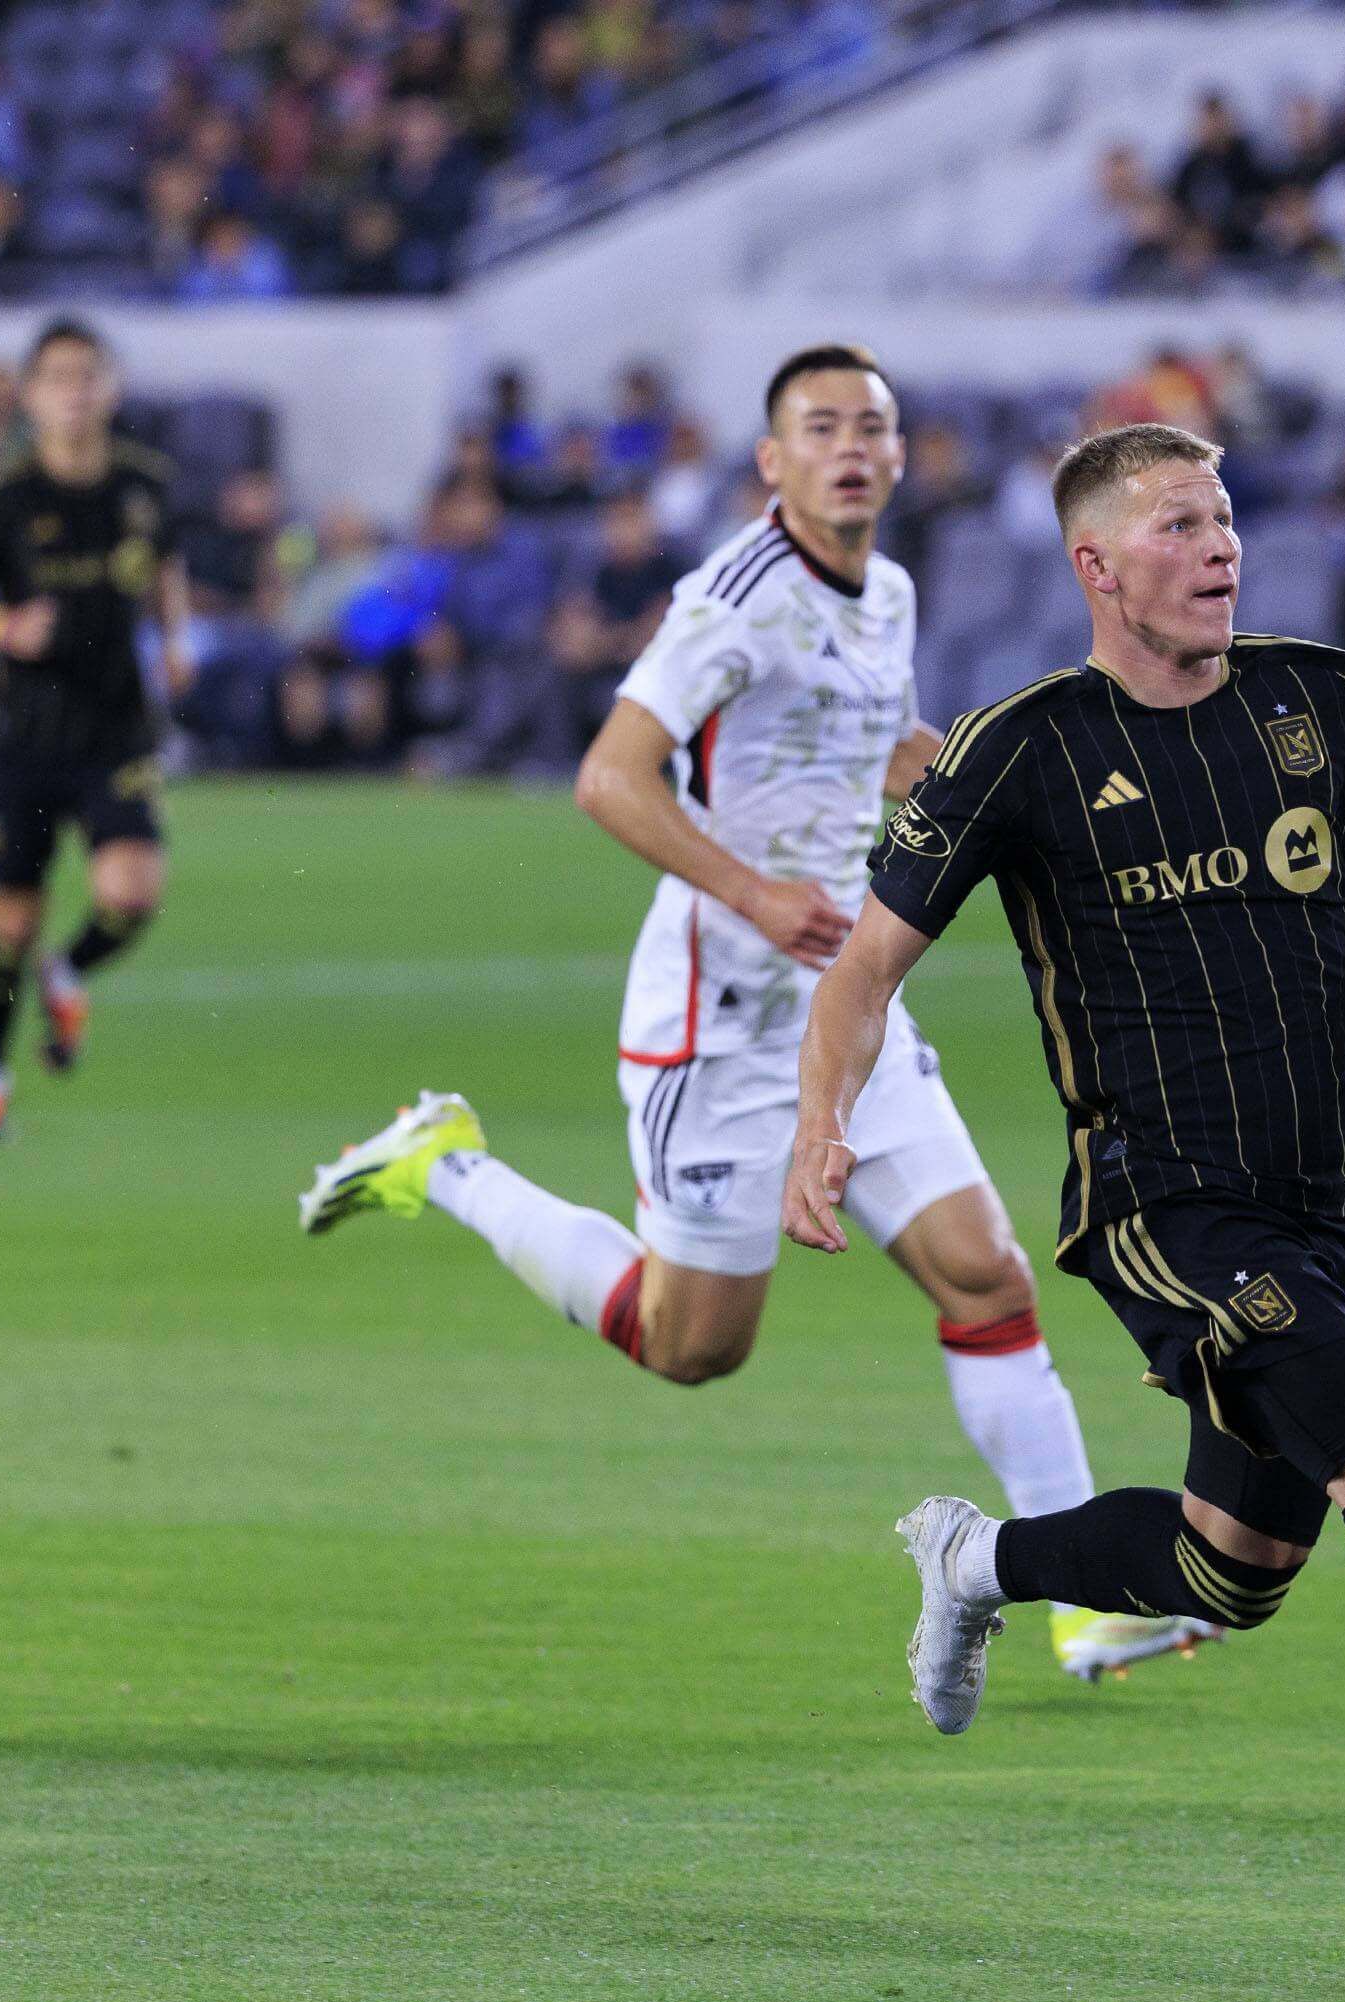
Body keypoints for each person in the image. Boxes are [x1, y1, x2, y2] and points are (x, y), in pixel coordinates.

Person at [789, 422, 1345, 1979]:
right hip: (1164, 1206)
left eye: (1225, 520)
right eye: (1181, 527)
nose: (1221, 550)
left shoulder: (1321, 697)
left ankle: (976, 1562)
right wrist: (822, 1124)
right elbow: (865, 966)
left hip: (1331, 1198)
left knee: (1229, 1568)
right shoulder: (1023, 747)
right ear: (1096, 566)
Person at [297, 346, 1206, 1685]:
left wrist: (997, 784)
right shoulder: (730, 601)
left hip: (844, 1011)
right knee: (692, 1346)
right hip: (715, 1019)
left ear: (899, 459)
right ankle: (449, 1166)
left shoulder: (886, 591)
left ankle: (1085, 1595)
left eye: (872, 427)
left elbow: (874, 749)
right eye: (819, 428)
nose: (850, 447)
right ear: (771, 464)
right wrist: (754, 891)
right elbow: (611, 778)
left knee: (987, 1274)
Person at [0, 316, 190, 1145]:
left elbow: (165, 567)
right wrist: (4, 632)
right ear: (31, 395)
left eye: (89, 376)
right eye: (58, 378)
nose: (76, 393)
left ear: (110, 389)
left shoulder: (144, 484)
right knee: (12, 914)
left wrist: (177, 639)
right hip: (28, 733)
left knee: (131, 892)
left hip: (116, 725)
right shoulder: (6, 494)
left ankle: (69, 969)